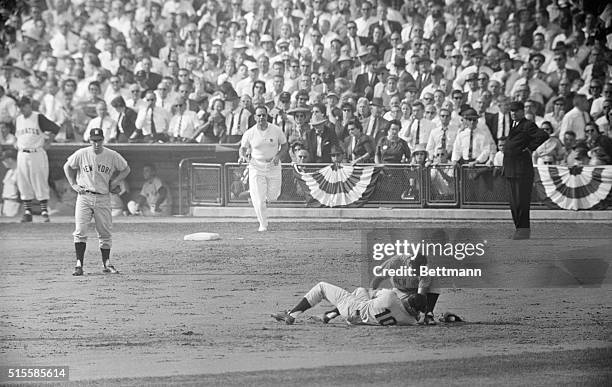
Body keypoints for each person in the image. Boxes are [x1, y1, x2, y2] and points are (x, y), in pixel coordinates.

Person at [63, 128, 131, 276]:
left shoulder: (111, 155)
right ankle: (79, 264)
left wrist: (116, 181)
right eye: (93, 140)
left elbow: (126, 169)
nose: (96, 143)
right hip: (84, 196)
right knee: (80, 231)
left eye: (99, 140)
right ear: (89, 140)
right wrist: (73, 184)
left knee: (105, 232)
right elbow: (67, 166)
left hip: (103, 197)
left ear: (103, 140)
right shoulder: (82, 153)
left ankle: (106, 263)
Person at [271, 281, 426, 326]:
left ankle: (291, 315)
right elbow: (419, 318)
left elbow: (374, 291)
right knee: (360, 291)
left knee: (321, 287)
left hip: (351, 308)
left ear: (408, 300)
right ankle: (329, 315)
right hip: (360, 321)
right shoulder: (410, 321)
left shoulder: (391, 297)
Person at [238, 105, 288, 232]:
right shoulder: (249, 133)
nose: (261, 118)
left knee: (273, 196)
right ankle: (263, 224)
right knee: (259, 201)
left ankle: (258, 193)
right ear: (255, 117)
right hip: (256, 166)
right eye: (259, 115)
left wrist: (278, 156)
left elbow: (285, 146)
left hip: (273, 166)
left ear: (267, 116)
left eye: (263, 115)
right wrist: (243, 156)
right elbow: (242, 149)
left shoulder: (276, 130)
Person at [503, 101, 548, 240]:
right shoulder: (513, 124)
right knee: (514, 202)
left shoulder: (528, 124)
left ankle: (523, 231)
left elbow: (543, 135)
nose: (513, 113)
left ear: (522, 111)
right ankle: (519, 229)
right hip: (512, 168)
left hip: (522, 169)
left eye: (516, 111)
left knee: (522, 202)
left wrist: (529, 148)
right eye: (511, 111)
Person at [14, 96, 59, 223]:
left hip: (36, 152)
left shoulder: (38, 117)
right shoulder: (18, 120)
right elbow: (15, 135)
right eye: (20, 106)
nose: (22, 108)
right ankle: (28, 212)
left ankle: (44, 211)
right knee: (23, 182)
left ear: (29, 105)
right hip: (22, 153)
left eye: (24, 106)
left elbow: (55, 128)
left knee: (39, 180)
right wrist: (14, 141)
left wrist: (49, 141)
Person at [1, 149, 21, 217]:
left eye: (4, 160)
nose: (3, 162)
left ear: (10, 159)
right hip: (6, 203)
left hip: (15, 203)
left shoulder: (20, 172)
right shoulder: (9, 172)